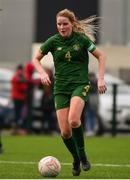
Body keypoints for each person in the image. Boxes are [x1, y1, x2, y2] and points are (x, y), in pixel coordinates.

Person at [32, 9, 107, 176]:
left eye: (65, 24)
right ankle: (75, 159)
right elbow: (36, 59)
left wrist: (101, 79)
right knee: (65, 132)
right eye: (59, 24)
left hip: (80, 84)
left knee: (74, 120)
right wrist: (43, 73)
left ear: (72, 24)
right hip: (60, 88)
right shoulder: (52, 41)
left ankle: (83, 156)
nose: (61, 27)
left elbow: (101, 56)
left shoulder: (81, 40)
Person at [11, 64, 27, 135]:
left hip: (19, 98)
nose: (21, 71)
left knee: (19, 114)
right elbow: (23, 88)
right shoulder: (17, 78)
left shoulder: (18, 77)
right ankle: (15, 129)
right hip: (17, 98)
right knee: (18, 114)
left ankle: (16, 129)